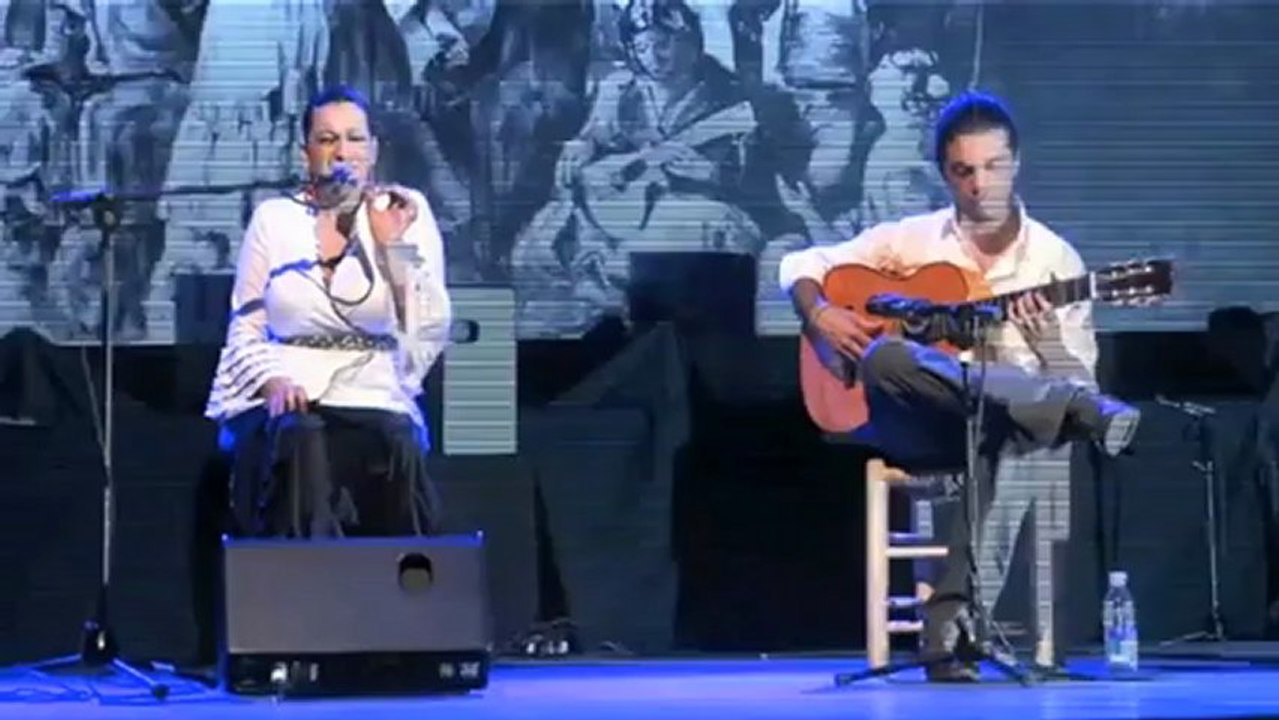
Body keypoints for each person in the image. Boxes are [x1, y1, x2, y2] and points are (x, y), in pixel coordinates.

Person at [778, 91, 1141, 681]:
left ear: (1016, 163)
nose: (979, 184)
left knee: (1029, 427)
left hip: (1001, 430)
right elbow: (800, 264)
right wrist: (819, 316)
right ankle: (1065, 409)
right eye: (963, 171)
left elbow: (1077, 377)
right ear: (945, 173)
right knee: (890, 355)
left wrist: (1045, 340)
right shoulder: (911, 240)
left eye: (993, 166)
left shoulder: (1056, 262)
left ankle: (947, 634)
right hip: (916, 422)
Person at [205, 85, 452, 539]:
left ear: (373, 150)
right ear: (307, 153)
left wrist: (390, 244)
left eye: (355, 139)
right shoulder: (274, 218)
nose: (343, 152)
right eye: (327, 139)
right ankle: (301, 591)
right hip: (288, 386)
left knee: (396, 441)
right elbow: (245, 327)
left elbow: (425, 327)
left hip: (373, 387)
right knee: (300, 437)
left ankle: (409, 592)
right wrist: (271, 381)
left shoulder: (403, 211)